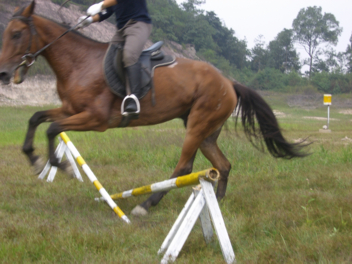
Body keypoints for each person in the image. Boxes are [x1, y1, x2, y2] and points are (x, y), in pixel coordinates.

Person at [78, 0, 152, 116]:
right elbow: (106, 12)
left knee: (129, 55)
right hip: (121, 30)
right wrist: (89, 20)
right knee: (109, 56)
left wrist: (101, 5)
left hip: (138, 24)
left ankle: (134, 98)